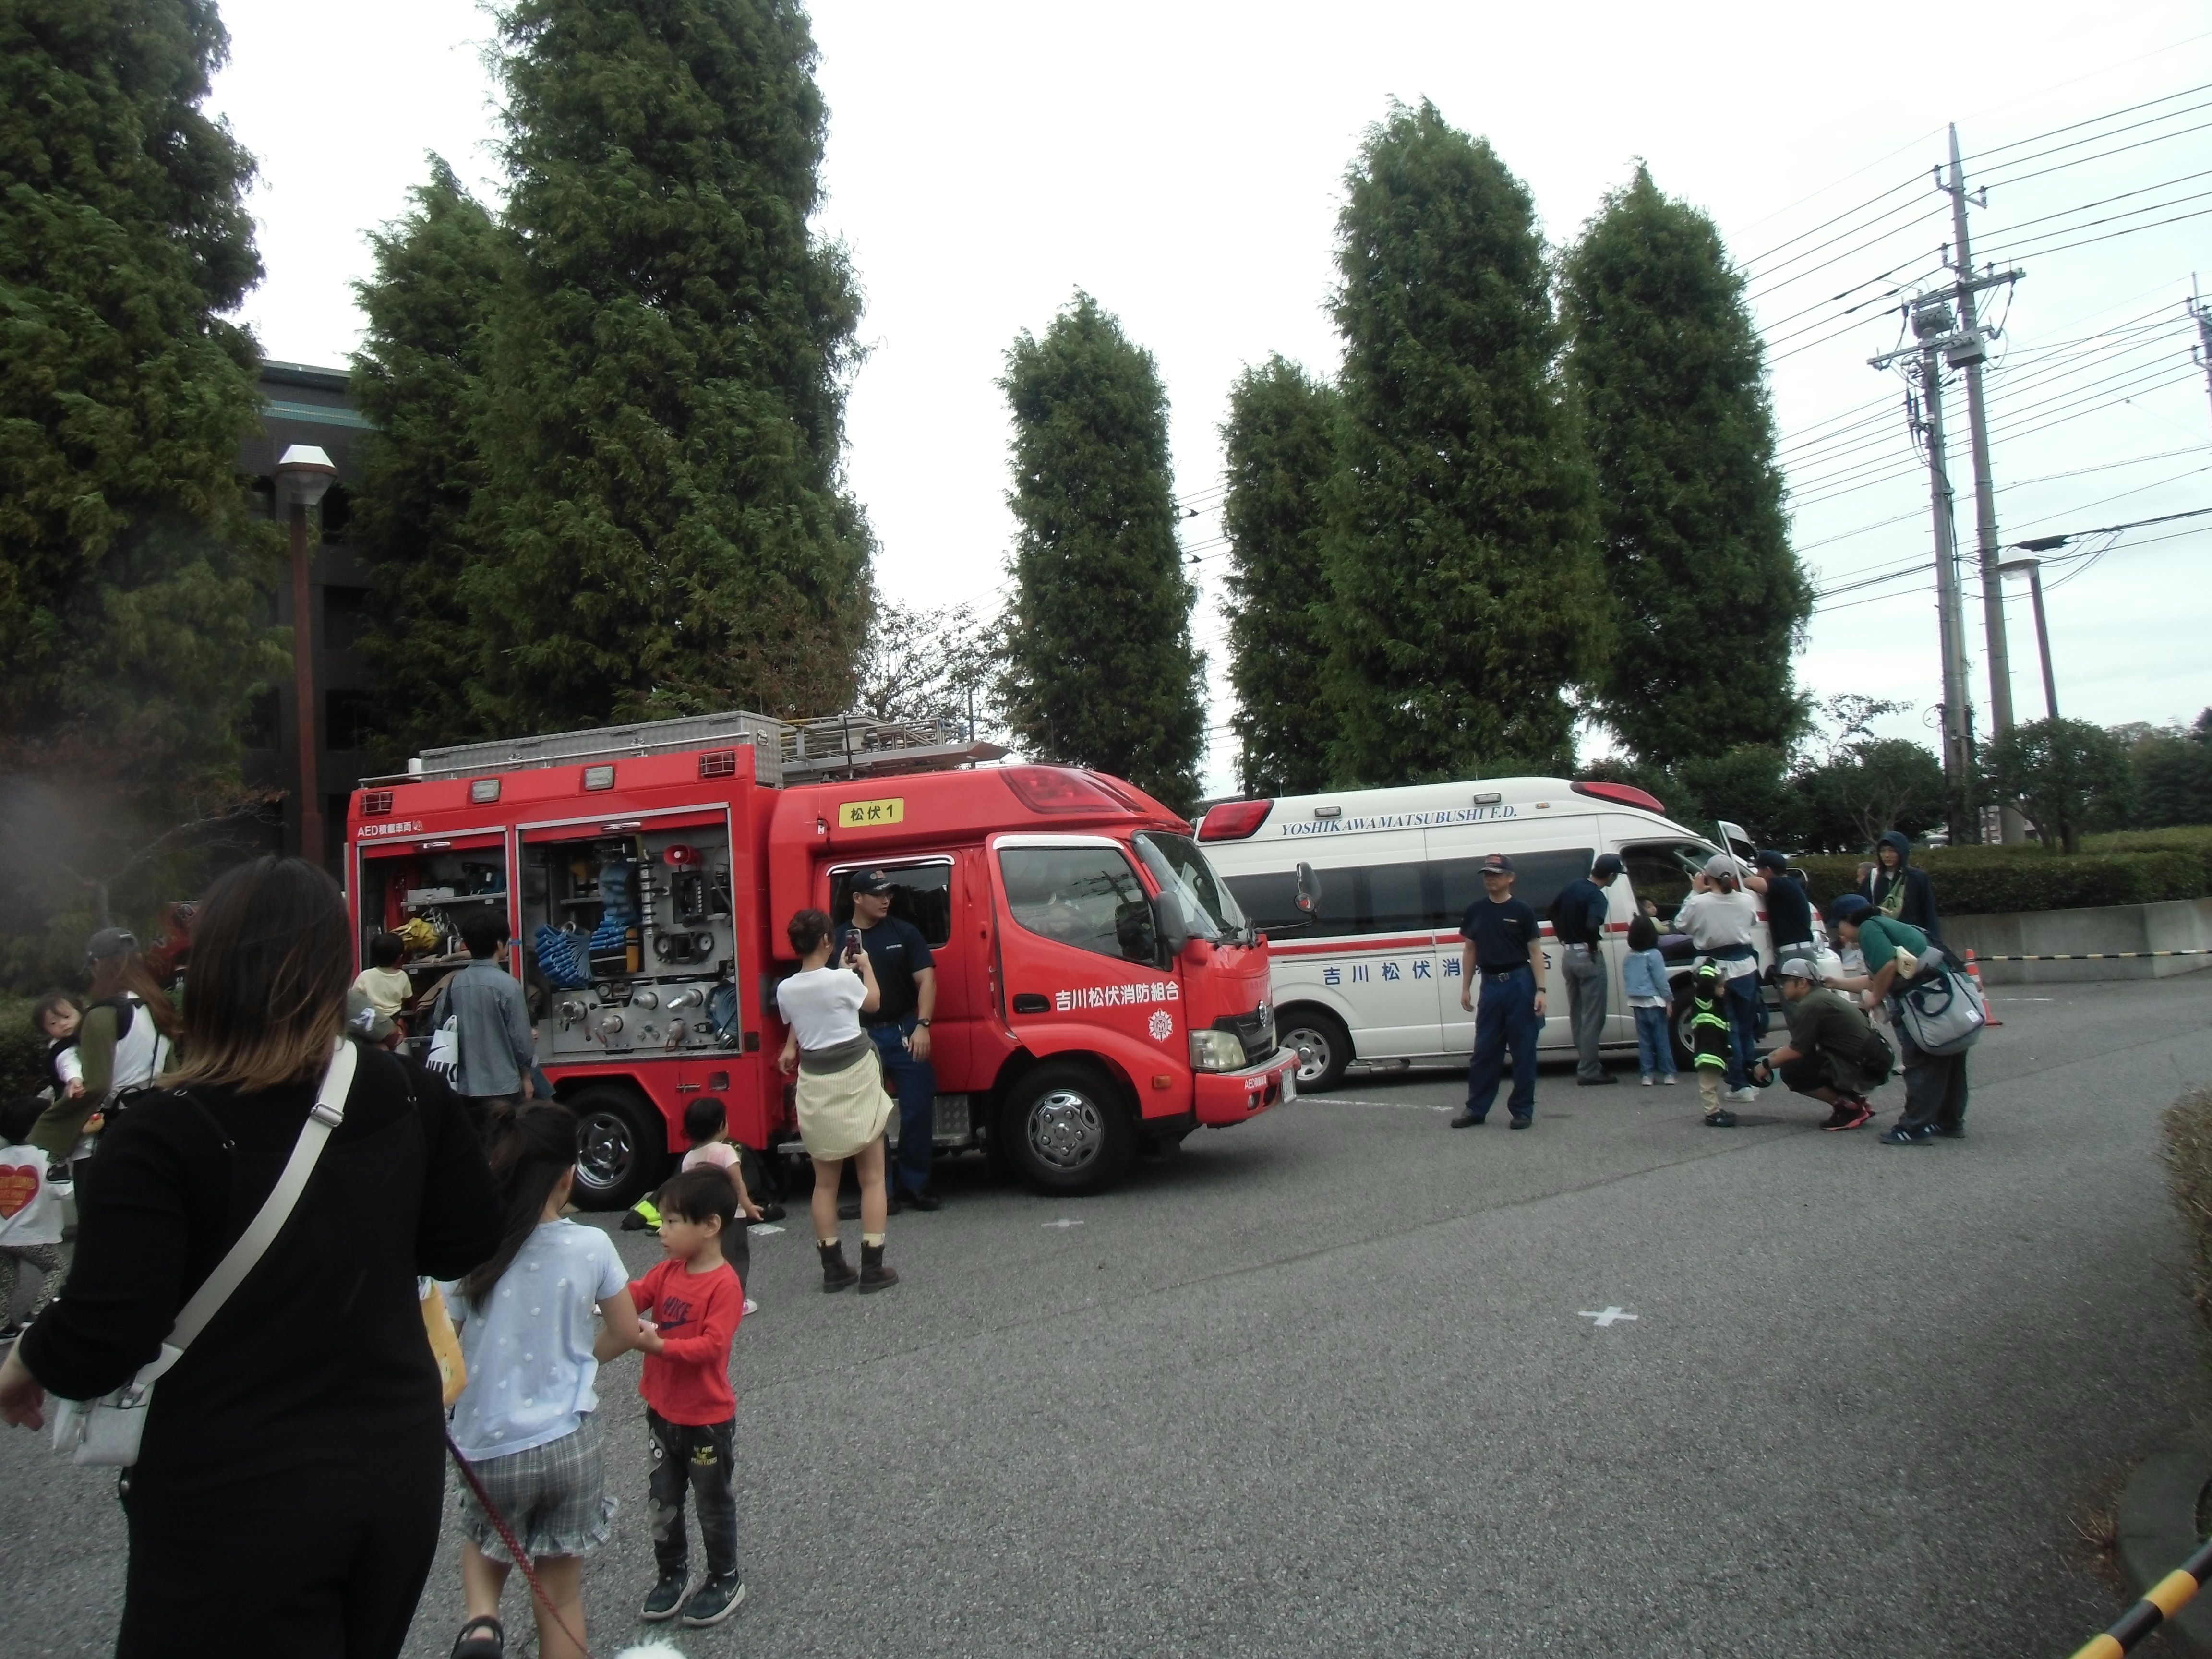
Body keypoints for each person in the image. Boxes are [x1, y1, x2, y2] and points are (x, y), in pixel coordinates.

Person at [0, 855, 500, 1659]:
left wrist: (29, 1352)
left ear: (211, 972)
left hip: (233, 1489)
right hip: (389, 1471)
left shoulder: (160, 1132)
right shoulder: (408, 1094)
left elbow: (106, 1332)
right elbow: (466, 1239)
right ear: (334, 969)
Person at [443, 1102, 640, 1659]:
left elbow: (441, 1349)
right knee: (560, 1595)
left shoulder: (470, 1247)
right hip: (571, 1444)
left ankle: (482, 1625)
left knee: (485, 1548)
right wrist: (583, 1358)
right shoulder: (591, 1246)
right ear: (567, 1175)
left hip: (492, 1445)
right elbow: (625, 1331)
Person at [606, 1166, 747, 1628]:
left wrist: (656, 1344)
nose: (660, 1231)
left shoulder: (724, 1284)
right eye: (661, 1222)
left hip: (706, 1418)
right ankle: (673, 1575)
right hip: (661, 1412)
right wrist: (599, 1293)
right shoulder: (667, 1271)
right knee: (662, 1499)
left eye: (671, 1222)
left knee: (712, 1503)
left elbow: (712, 1346)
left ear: (710, 1226)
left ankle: (725, 1576)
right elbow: (634, 1295)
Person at [775, 910, 899, 1290]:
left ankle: (833, 1269)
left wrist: (790, 1047)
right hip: (855, 1075)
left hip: (816, 1080)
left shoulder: (785, 989)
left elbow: (804, 1016)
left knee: (824, 1184)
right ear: (828, 941)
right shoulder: (845, 979)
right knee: (872, 1177)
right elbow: (873, 1003)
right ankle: (873, 1267)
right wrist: (866, 967)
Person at [27, 928, 183, 1161]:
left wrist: (48, 1126)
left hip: (111, 1133)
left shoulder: (103, 1014)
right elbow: (173, 1073)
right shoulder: (158, 1006)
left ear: (98, 964)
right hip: (156, 1122)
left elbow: (97, 1084)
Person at [1827, 893, 1967, 1145]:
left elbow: (1888, 968)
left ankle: (1914, 1128)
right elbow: (1877, 976)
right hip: (1946, 996)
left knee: (1921, 1063)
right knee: (1950, 1060)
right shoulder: (1890, 926)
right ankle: (1949, 1121)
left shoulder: (1870, 928)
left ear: (1850, 919)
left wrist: (1873, 999)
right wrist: (1838, 982)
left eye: (1841, 927)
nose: (1842, 935)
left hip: (1926, 1005)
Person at [847, 870, 941, 1210]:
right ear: (857, 898)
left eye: (888, 893)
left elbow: (927, 980)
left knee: (917, 1109)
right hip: (860, 1035)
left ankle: (915, 1185)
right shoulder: (840, 939)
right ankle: (878, 1192)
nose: (885, 899)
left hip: (904, 1031)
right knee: (867, 1118)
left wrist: (923, 1025)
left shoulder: (904, 932)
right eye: (877, 894)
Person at [1451, 854, 1548, 1130]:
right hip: (1491, 985)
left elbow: (1535, 952)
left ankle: (1522, 1111)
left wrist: (1541, 990)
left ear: (1510, 877)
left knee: (1523, 1050)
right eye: (1486, 874)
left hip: (1520, 983)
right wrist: (1466, 988)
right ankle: (1476, 1109)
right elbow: (1470, 949)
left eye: (1496, 873)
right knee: (1484, 1051)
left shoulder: (1522, 911)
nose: (1490, 878)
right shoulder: (1476, 911)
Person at [1752, 959, 1881, 1131]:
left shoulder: (1811, 1005)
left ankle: (1848, 1108)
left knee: (1793, 1070)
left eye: (1785, 981)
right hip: (1869, 1061)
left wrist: (1766, 1065)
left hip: (1862, 1068)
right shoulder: (1820, 998)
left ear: (1803, 983)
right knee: (1804, 1060)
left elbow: (1798, 1051)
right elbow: (1802, 1045)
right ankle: (1854, 1100)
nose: (1781, 987)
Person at [1675, 855, 1763, 1105]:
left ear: (1707, 877)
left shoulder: (1700, 903)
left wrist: (1694, 891)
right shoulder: (1747, 899)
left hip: (1711, 971)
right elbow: (1753, 922)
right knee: (1746, 1026)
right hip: (1745, 967)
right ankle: (1747, 1079)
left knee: (1724, 1026)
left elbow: (1681, 923)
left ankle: (1738, 1083)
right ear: (1733, 877)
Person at [439, 910, 538, 1130]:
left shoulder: (456, 984)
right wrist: (527, 1075)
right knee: (505, 1146)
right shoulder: (509, 986)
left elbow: (440, 1024)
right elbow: (522, 1044)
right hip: (503, 1087)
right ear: (500, 944)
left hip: (465, 1087)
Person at [680, 1096, 767, 1309]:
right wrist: (748, 1206)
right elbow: (738, 1183)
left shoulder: (689, 1158)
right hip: (731, 1217)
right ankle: (736, 1302)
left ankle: (707, 1300)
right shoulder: (727, 1151)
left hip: (702, 1220)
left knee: (706, 1259)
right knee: (736, 1257)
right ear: (721, 1125)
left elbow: (685, 1191)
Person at [1551, 853, 1623, 1086]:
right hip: (1588, 957)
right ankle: (1589, 1070)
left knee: (1578, 1012)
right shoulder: (1597, 898)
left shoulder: (1574, 885)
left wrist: (1563, 936)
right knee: (1594, 1015)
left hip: (1569, 956)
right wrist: (1591, 944)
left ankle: (1586, 1061)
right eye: (1617, 876)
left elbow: (1552, 911)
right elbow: (1593, 924)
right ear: (1610, 876)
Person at [0, 1095, 65, 1340]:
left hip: (1, 1235)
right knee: (57, 1267)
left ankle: (3, 1326)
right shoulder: (48, 1156)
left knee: (5, 1280)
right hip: (32, 1236)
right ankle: (37, 1314)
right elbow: (63, 1191)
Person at [1622, 915, 1677, 1088]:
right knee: (1662, 1039)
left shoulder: (1630, 957)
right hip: (1655, 1002)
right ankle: (1669, 1073)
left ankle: (1647, 1075)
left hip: (1637, 1002)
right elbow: (1661, 981)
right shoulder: (1654, 955)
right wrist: (1669, 1000)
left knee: (1645, 1041)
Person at [1686, 962, 1738, 1127]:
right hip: (1707, 1053)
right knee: (1708, 1087)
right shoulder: (1704, 1002)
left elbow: (1723, 1031)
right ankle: (1712, 1114)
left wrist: (1727, 1051)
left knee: (1713, 1086)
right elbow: (1706, 984)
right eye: (1721, 986)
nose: (1724, 990)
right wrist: (1709, 965)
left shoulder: (1717, 1006)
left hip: (1716, 1054)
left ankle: (1716, 1109)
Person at [1746, 851, 1818, 965]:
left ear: (1768, 871)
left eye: (1759, 870)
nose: (1757, 874)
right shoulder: (1790, 885)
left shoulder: (1782, 884)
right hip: (1800, 950)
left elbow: (1753, 882)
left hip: (1793, 952)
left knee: (1790, 983)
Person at [1868, 831, 1942, 939]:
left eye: (1892, 850)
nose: (1887, 855)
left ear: (1902, 851)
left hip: (1913, 937)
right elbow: (1864, 906)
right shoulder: (1874, 877)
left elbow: (1928, 911)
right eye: (1883, 851)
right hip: (1884, 938)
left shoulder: (1917, 877)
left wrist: (1935, 939)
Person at [31, 991, 86, 1103]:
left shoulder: (85, 1035)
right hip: (75, 1096)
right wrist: (75, 1080)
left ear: (81, 1013)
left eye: (67, 1017)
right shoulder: (62, 1048)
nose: (62, 1024)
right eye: (53, 1023)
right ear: (46, 1031)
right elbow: (68, 1063)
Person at [351, 932, 413, 1026]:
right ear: (400, 958)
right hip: (394, 1019)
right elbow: (408, 997)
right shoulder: (402, 976)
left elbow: (354, 997)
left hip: (370, 1019)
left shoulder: (365, 975)